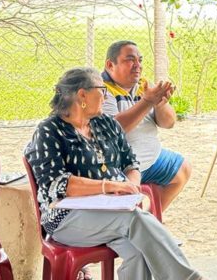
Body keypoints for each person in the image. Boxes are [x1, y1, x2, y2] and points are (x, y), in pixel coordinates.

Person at [24, 67, 204, 280]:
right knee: (134, 219)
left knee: (138, 250)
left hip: (113, 211)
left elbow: (131, 163)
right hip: (66, 218)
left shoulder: (106, 124)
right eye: (102, 89)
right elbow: (56, 184)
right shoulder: (50, 130)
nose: (107, 94)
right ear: (82, 95)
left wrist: (132, 186)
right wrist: (110, 186)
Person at [102, 40, 191, 211]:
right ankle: (136, 225)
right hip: (120, 167)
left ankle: (151, 219)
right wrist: (148, 101)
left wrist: (160, 103)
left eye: (140, 60)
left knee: (183, 168)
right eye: (130, 60)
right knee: (123, 204)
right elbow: (113, 130)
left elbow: (169, 123)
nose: (138, 66)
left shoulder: (142, 85)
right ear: (110, 64)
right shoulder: (101, 90)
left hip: (152, 159)